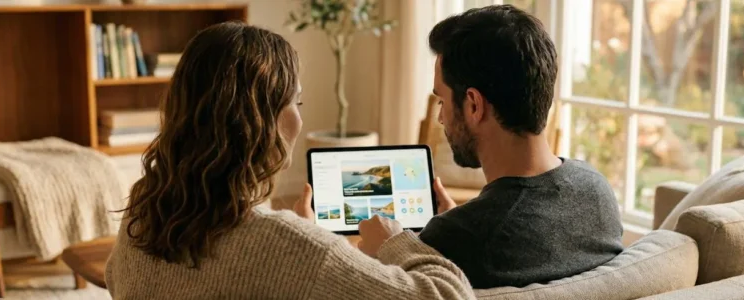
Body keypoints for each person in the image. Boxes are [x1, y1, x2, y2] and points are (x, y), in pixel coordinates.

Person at [104, 22, 475, 300]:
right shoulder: (288, 246)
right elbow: (448, 295)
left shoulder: (142, 210)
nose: (300, 119)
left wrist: (307, 241)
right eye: (295, 102)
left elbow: (118, 279)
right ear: (261, 123)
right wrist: (401, 242)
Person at [417, 5, 624, 289]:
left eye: (442, 101)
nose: (441, 117)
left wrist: (392, 246)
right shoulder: (597, 192)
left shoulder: (460, 238)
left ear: (474, 105)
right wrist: (460, 218)